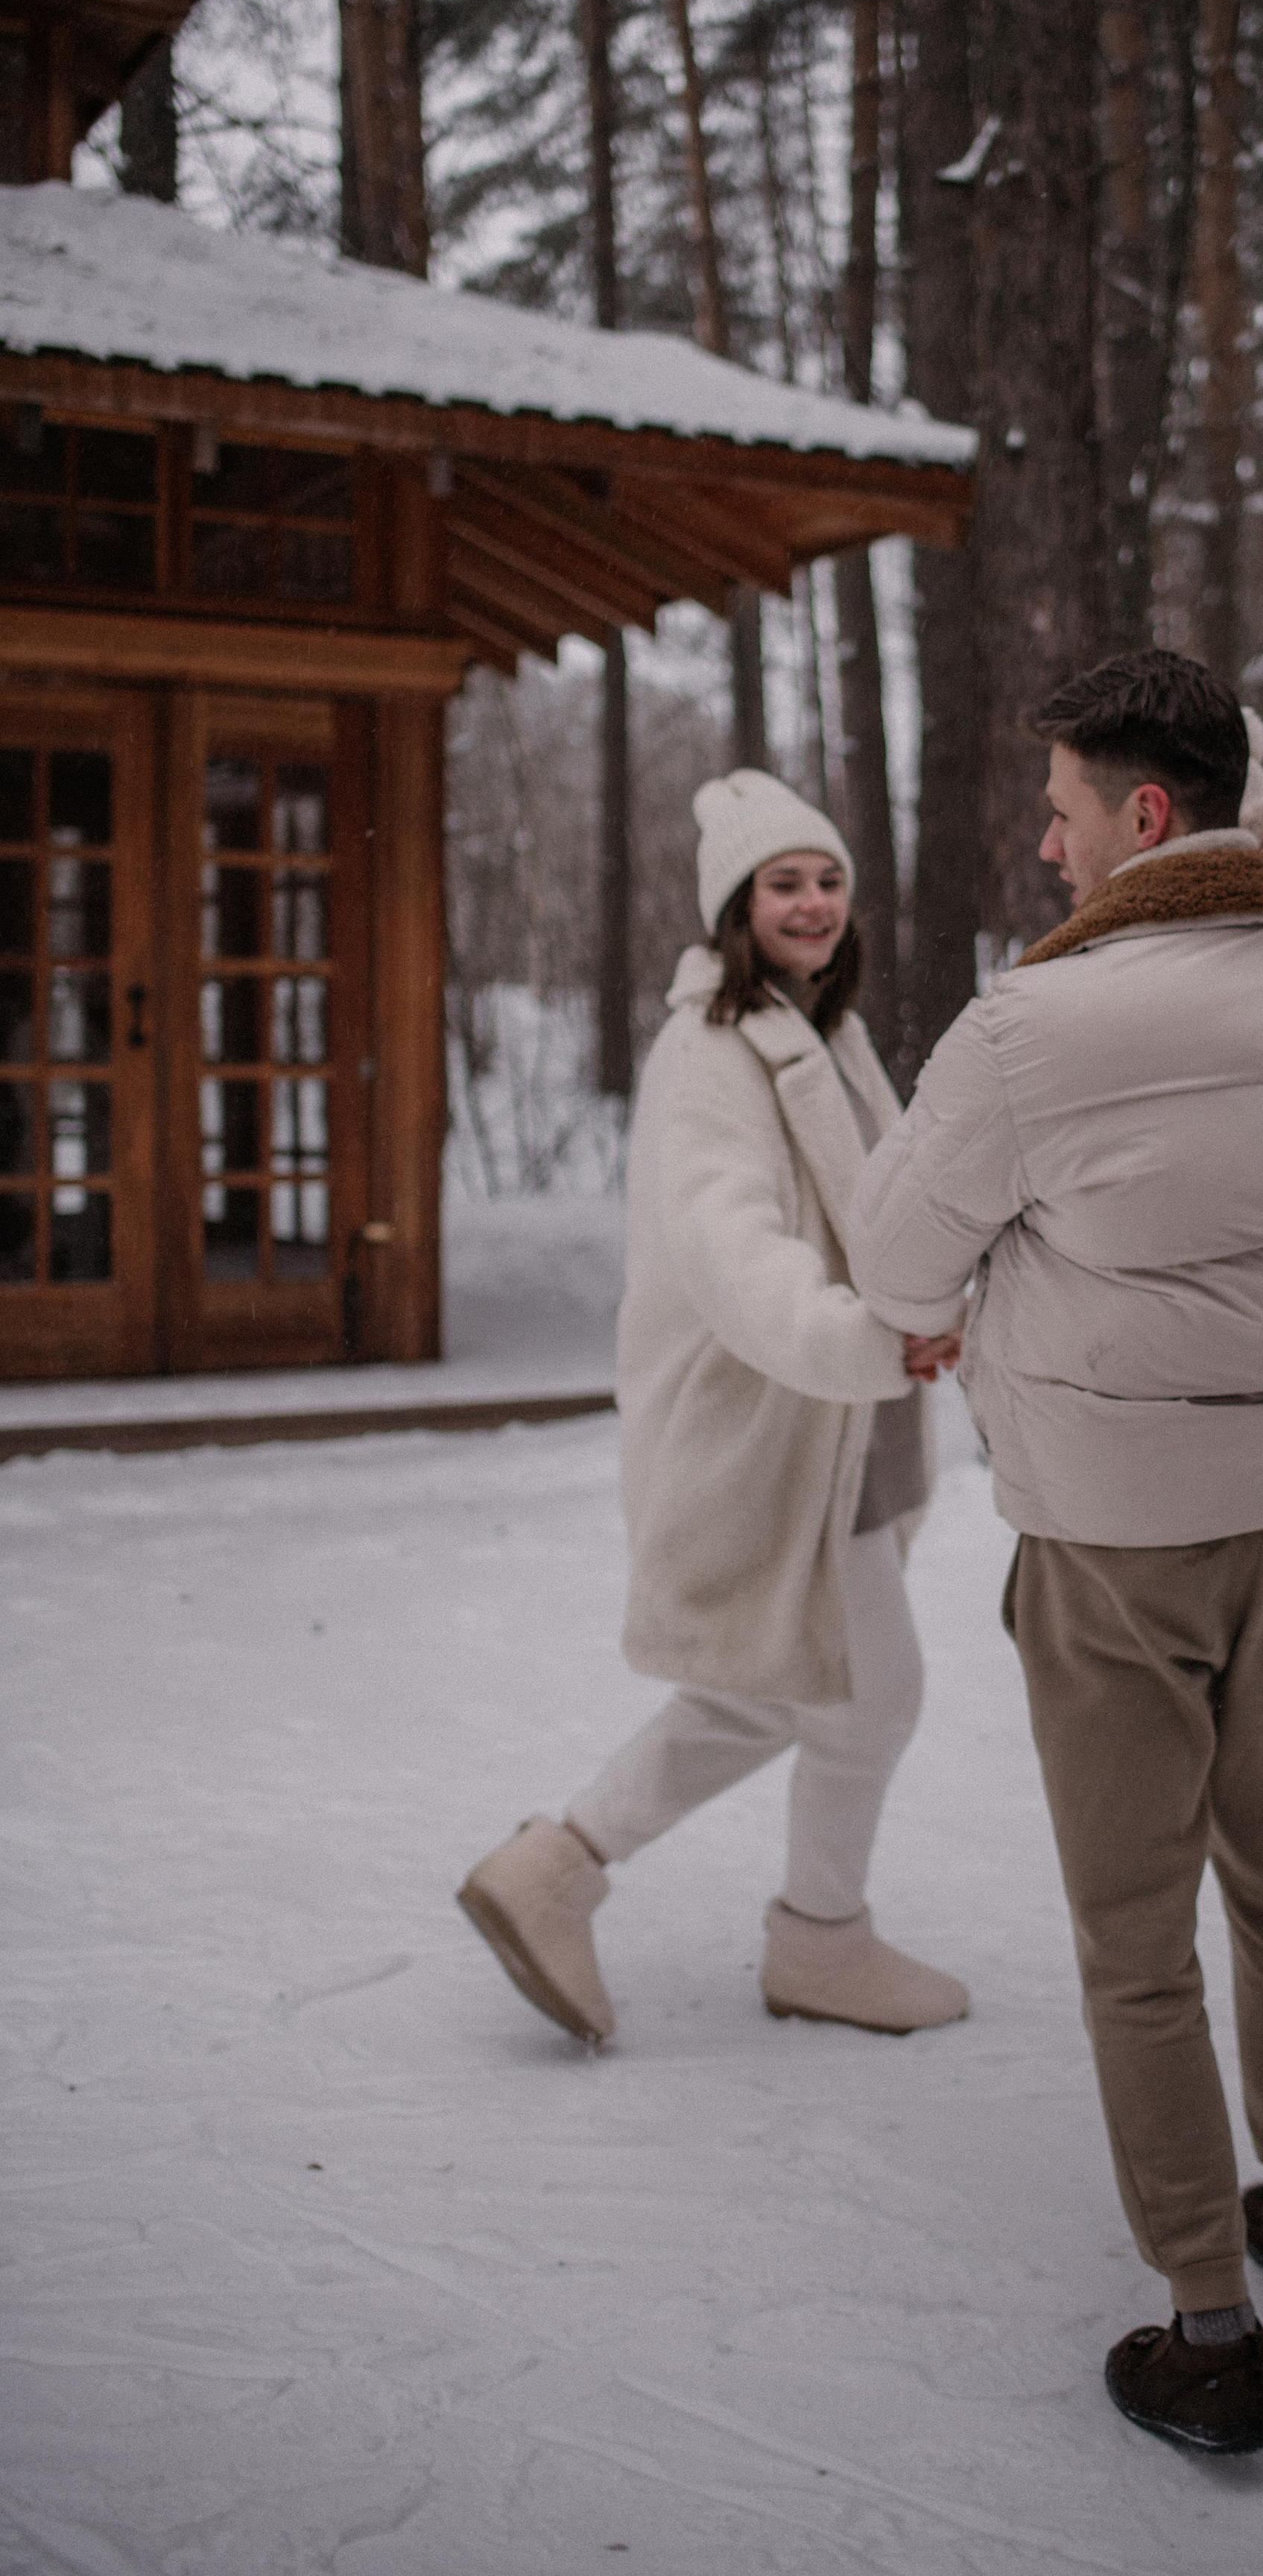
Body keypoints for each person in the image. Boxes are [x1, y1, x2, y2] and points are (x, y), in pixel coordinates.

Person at [846, 652, 1263, 2457]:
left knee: (1131, 1933)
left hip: (1114, 1536)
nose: (1044, 844)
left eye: (1062, 809)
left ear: (1150, 816)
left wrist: (993, 1291)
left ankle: (1204, 2325)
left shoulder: (1031, 1029)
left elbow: (893, 1265)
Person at [459, 769, 968, 2048]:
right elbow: (730, 1250)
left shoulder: (819, 1030)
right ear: (734, 910)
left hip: (835, 1422)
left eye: (828, 879)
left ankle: (558, 1870)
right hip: (773, 1422)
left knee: (774, 1688)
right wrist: (863, 1341)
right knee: (868, 1689)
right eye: (783, 884)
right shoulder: (711, 1057)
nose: (812, 903)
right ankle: (819, 1941)